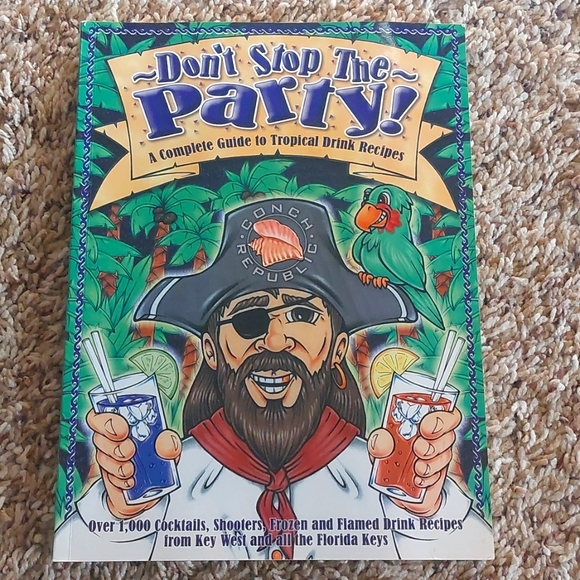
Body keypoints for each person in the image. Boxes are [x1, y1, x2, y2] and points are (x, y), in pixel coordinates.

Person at [54, 199, 492, 561]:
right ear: (211, 350)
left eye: (302, 315)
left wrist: (427, 506)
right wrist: (121, 511)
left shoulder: (382, 481)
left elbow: (462, 542)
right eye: (249, 320)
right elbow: (85, 542)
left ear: (337, 348)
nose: (276, 340)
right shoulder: (164, 481)